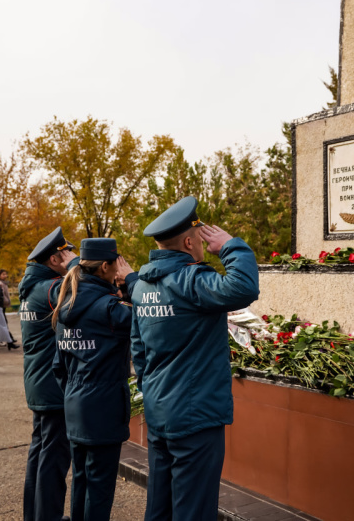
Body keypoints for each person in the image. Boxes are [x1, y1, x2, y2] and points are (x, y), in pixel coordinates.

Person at [130, 196, 259, 520]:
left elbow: (138, 348)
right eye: (199, 239)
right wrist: (230, 246)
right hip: (195, 415)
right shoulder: (191, 280)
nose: (203, 245)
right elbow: (244, 287)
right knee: (195, 510)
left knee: (159, 506)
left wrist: (152, 391)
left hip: (159, 411)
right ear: (189, 242)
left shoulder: (142, 287)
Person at [52, 238, 137, 521]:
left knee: (81, 480)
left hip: (75, 406)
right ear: (105, 267)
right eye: (116, 264)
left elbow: (59, 366)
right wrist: (132, 281)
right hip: (104, 408)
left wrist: (74, 393)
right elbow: (148, 321)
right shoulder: (110, 308)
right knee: (100, 489)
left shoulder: (66, 305)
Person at [19, 227, 78, 521]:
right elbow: (84, 298)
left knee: (40, 453)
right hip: (53, 386)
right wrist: (77, 267)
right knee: (53, 460)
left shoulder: (32, 288)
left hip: (39, 382)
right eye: (67, 253)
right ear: (55, 259)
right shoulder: (51, 288)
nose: (72, 257)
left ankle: (35, 516)